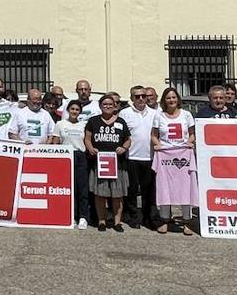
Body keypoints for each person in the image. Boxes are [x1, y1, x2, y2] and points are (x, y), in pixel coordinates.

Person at [150, 88, 197, 235]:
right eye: (168, 98)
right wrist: (157, 144)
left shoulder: (186, 115)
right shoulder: (159, 116)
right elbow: (153, 135)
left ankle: (187, 221)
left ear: (178, 99)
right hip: (165, 156)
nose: (171, 100)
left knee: (185, 187)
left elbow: (192, 134)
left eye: (174, 98)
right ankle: (164, 219)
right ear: (164, 100)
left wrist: (190, 142)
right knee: (165, 187)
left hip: (183, 154)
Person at [85, 94, 131, 232]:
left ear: (115, 105)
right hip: (100, 163)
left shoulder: (121, 122)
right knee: (100, 194)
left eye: (110, 104)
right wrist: (90, 148)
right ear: (100, 106)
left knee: (117, 194)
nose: (108, 106)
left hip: (117, 163)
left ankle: (117, 222)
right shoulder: (93, 121)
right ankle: (102, 221)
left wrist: (123, 148)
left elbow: (128, 139)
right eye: (105, 104)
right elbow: (87, 138)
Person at [119, 85, 157, 229]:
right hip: (131, 158)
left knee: (149, 191)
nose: (141, 99)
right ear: (131, 98)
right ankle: (133, 217)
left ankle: (149, 218)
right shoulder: (124, 113)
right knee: (132, 191)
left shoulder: (155, 113)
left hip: (150, 157)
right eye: (137, 96)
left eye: (143, 96)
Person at [51, 100, 89, 228]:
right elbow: (56, 142)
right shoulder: (60, 124)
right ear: (68, 110)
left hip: (80, 156)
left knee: (82, 187)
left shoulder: (84, 125)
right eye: (72, 109)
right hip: (66, 156)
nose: (74, 111)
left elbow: (87, 141)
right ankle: (70, 215)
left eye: (77, 109)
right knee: (69, 188)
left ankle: (83, 217)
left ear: (80, 112)